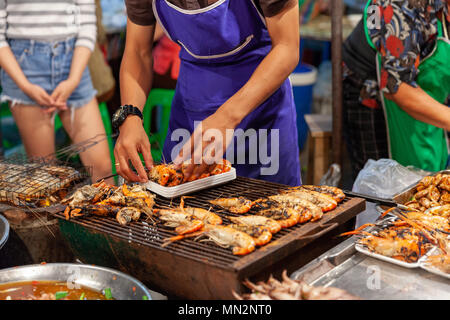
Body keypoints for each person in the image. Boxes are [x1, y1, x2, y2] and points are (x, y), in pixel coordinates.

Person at [113, 0, 301, 186]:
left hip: (261, 114)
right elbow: (137, 50)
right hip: (192, 112)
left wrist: (227, 116)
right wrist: (130, 115)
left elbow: (287, 48)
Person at [0, 0, 112, 183]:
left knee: (103, 167)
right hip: (25, 68)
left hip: (74, 61)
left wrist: (73, 79)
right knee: (45, 176)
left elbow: (87, 25)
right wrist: (25, 85)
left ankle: (109, 211)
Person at [342, 0, 450, 179]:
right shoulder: (406, 3)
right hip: (371, 90)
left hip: (426, 89)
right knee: (380, 188)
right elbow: (397, 87)